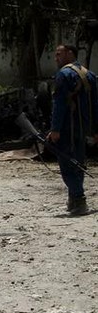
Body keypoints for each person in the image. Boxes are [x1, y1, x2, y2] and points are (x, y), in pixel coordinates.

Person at [46, 44, 98, 215]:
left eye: (59, 54)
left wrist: (55, 129)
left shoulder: (64, 75)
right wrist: (95, 129)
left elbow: (59, 104)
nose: (56, 58)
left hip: (67, 128)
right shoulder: (89, 74)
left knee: (67, 164)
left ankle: (79, 199)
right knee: (78, 163)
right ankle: (73, 200)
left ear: (70, 53)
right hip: (83, 129)